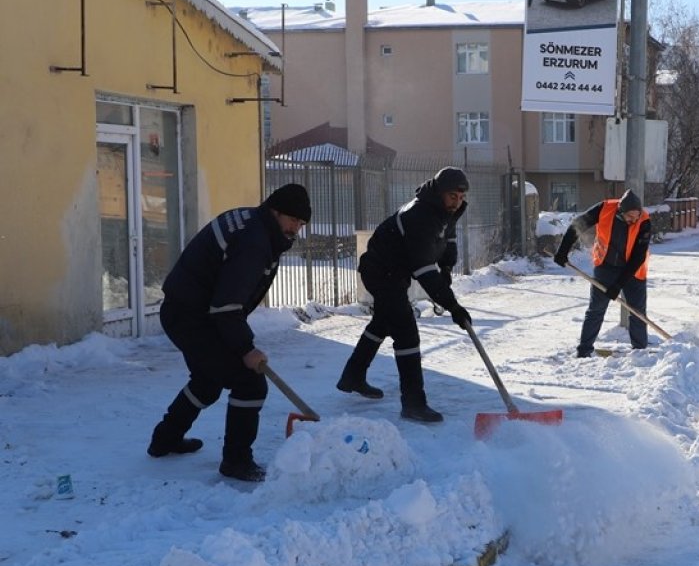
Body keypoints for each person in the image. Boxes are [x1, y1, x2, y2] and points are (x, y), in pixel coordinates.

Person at [147, 183, 311, 482]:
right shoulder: (254, 241)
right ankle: (237, 461)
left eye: (301, 224)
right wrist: (246, 348)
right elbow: (226, 306)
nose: (295, 229)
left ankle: (165, 439)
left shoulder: (254, 223)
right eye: (293, 220)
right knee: (250, 383)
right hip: (192, 316)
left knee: (207, 381)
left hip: (191, 310)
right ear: (275, 211)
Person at [336, 167, 472, 423]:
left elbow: (448, 239)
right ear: (440, 192)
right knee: (406, 331)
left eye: (461, 197)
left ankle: (352, 376)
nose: (457, 202)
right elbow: (424, 270)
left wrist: (446, 267)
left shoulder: (445, 211)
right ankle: (413, 403)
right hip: (380, 270)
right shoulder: (420, 215)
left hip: (395, 270)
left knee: (384, 321)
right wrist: (453, 307)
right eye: (452, 196)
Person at [553, 189, 652, 357]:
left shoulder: (644, 221)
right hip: (605, 266)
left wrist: (618, 285)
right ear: (621, 211)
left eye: (636, 217)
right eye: (630, 217)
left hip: (633, 271)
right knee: (596, 310)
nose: (634, 220)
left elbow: (638, 256)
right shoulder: (604, 209)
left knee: (637, 312)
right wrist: (563, 251)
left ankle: (640, 353)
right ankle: (584, 351)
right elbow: (577, 225)